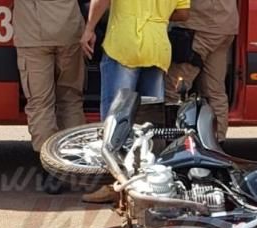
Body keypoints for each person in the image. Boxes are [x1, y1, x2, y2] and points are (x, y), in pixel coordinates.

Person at [79, 0, 190, 203]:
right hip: (157, 47)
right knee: (151, 124)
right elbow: (183, 13)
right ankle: (150, 183)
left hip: (125, 44)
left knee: (116, 120)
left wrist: (89, 28)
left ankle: (114, 184)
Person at [12, 0, 86, 156]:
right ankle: (75, 161)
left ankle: (49, 167)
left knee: (41, 104)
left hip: (33, 36)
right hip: (69, 32)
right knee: (70, 100)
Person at [165, 0, 239, 142]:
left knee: (173, 89)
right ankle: (217, 143)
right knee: (214, 91)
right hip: (226, 24)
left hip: (201, 25)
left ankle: (174, 143)